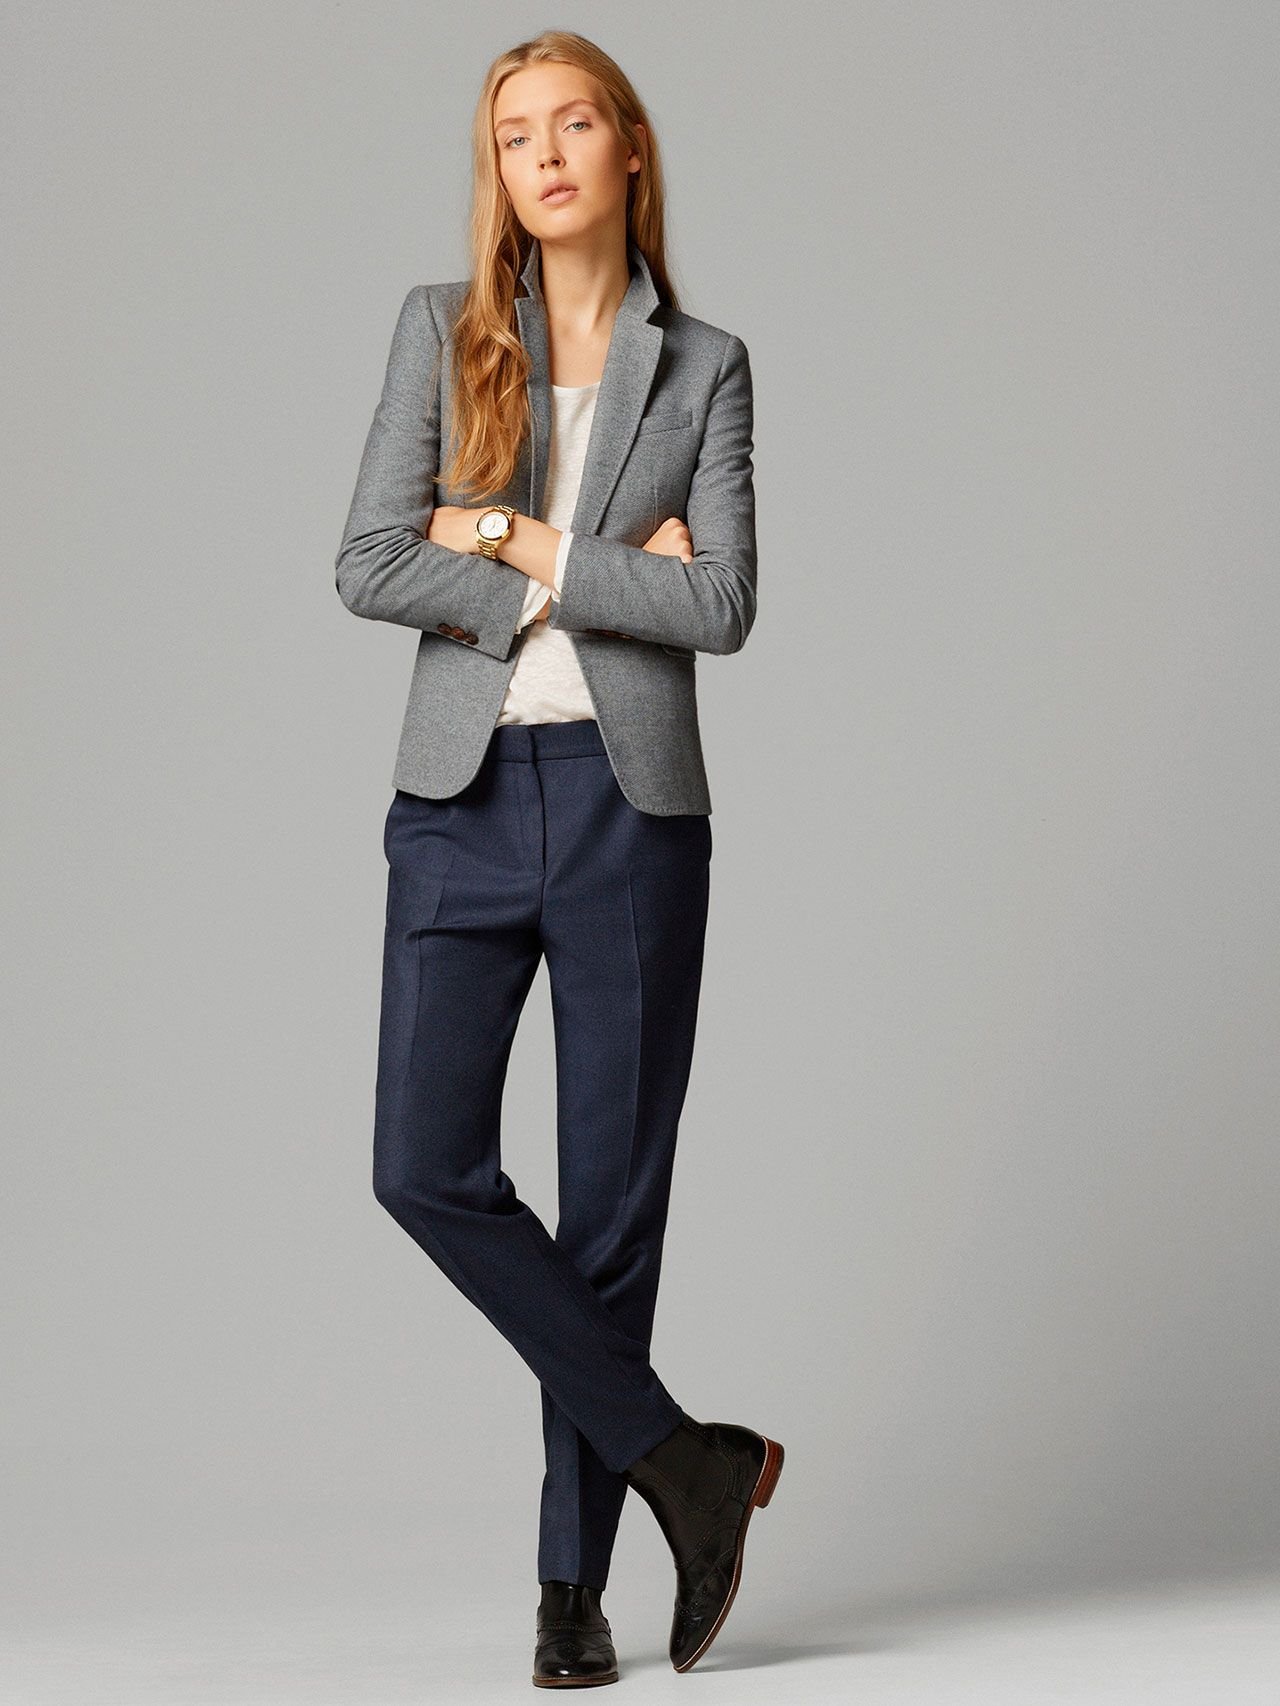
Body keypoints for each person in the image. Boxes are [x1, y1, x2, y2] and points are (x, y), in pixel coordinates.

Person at [334, 29, 783, 1686]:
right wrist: (603, 567)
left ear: (627, 146)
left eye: (573, 121)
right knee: (421, 1163)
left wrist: (510, 534)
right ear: (498, 169)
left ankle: (570, 1591)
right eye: (514, 132)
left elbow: (720, 604)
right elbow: (369, 558)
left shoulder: (708, 365)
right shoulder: (442, 332)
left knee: (610, 1211)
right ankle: (688, 1459)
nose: (544, 152)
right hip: (457, 801)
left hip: (628, 808)